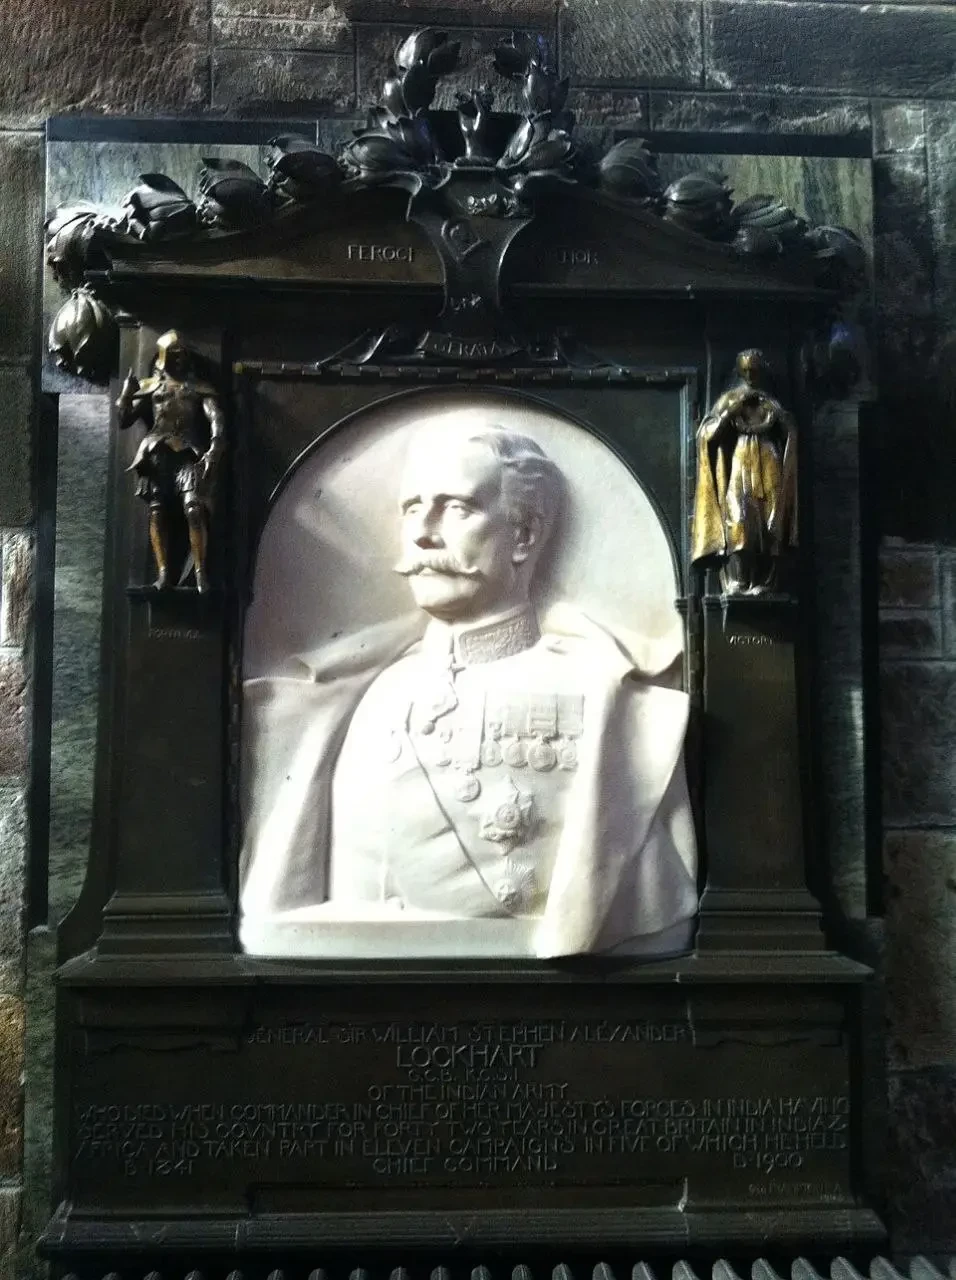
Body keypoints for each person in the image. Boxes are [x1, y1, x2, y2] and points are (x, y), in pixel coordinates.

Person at [239, 422, 698, 958]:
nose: (423, 534)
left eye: (456, 508)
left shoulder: (604, 702)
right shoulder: (358, 696)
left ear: (524, 536)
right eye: (412, 508)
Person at [116, 331, 225, 593]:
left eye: (181, 355)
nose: (178, 359)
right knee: (157, 510)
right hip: (157, 452)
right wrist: (127, 392)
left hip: (188, 451)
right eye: (173, 355)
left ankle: (200, 573)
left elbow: (215, 417)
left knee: (194, 509)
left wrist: (215, 445)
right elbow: (124, 419)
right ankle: (163, 573)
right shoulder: (151, 387)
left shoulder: (198, 387)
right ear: (164, 357)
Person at [691, 349, 797, 596]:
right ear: (739, 371)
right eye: (746, 370)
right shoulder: (730, 399)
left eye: (755, 370)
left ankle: (767, 581)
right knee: (738, 514)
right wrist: (729, 413)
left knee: (771, 516)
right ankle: (738, 578)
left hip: (768, 456)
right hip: (740, 458)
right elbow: (707, 435)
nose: (751, 375)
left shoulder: (769, 401)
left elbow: (790, 431)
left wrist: (780, 418)